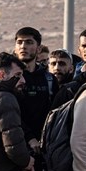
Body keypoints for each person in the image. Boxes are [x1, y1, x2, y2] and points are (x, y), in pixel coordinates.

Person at [13, 27, 55, 155]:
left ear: (38, 48)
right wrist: (29, 137)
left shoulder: (49, 79)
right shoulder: (10, 77)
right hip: (15, 144)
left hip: (44, 146)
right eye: (19, 42)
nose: (23, 46)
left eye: (29, 42)